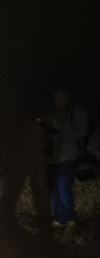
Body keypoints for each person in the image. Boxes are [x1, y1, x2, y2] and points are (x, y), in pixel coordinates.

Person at [44, 88, 89, 227]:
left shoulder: (75, 111)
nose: (58, 101)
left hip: (67, 157)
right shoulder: (50, 113)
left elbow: (81, 132)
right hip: (51, 158)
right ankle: (59, 218)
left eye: (61, 97)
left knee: (63, 188)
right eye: (55, 98)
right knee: (53, 190)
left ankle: (70, 218)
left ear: (68, 97)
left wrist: (63, 124)